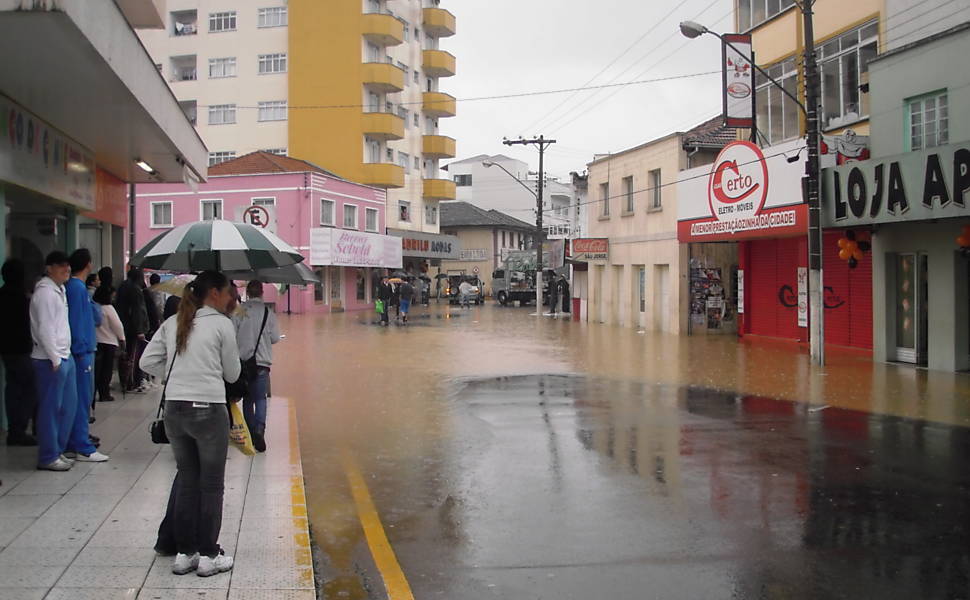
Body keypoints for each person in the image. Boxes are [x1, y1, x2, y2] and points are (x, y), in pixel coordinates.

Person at [140, 270, 240, 577]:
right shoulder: (222, 324)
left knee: (187, 481)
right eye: (228, 293)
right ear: (214, 293)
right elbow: (233, 374)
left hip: (174, 409)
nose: (231, 299)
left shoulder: (173, 323)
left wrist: (177, 375)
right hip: (208, 410)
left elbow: (147, 362)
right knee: (211, 486)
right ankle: (210, 555)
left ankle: (185, 554)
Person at [31, 252, 77, 471]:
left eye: (67, 265)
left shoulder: (60, 290)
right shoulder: (45, 293)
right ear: (49, 268)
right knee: (51, 409)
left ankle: (57, 451)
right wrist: (55, 358)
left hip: (63, 356)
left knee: (67, 407)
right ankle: (48, 455)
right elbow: (45, 328)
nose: (66, 269)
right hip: (49, 360)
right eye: (60, 265)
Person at [63, 249, 109, 462]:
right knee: (82, 399)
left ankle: (73, 440)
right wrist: (81, 347)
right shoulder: (78, 289)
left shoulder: (74, 288)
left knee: (79, 399)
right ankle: (82, 445)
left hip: (81, 349)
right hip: (82, 351)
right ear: (88, 265)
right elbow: (82, 319)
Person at [233, 280, 280, 453]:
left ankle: (252, 432)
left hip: (243, 364)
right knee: (261, 398)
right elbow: (275, 338)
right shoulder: (269, 313)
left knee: (248, 400)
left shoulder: (239, 311)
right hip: (262, 363)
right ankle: (260, 429)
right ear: (261, 292)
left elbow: (231, 335)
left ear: (248, 292)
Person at [0, 259, 38, 446]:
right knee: (29, 388)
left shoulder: (2, 294)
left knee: (12, 388)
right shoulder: (22, 298)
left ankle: (14, 429)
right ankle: (20, 429)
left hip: (7, 350)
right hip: (22, 350)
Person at [115, 267, 148, 392]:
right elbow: (137, 311)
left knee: (125, 355)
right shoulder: (135, 290)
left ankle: (125, 380)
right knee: (133, 355)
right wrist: (140, 329)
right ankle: (132, 381)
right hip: (133, 328)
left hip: (124, 326)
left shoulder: (122, 287)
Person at [94, 285, 125, 404]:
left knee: (98, 370)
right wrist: (122, 339)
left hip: (97, 341)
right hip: (109, 342)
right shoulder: (109, 308)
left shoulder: (95, 307)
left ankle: (97, 391)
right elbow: (117, 326)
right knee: (107, 370)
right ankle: (104, 393)